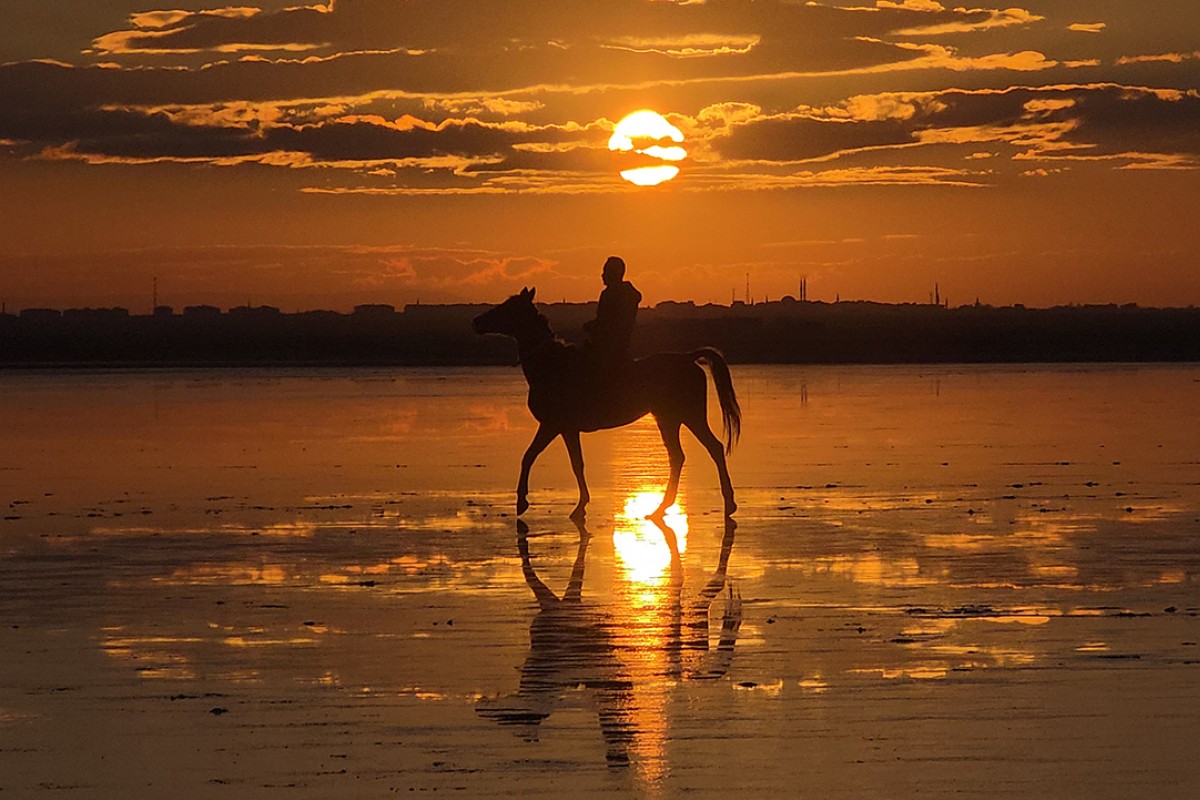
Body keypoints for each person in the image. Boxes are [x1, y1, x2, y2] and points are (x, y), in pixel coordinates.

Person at [583, 256, 641, 369]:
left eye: (605, 271)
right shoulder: (626, 294)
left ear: (613, 273)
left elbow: (607, 323)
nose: (602, 275)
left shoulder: (609, 294)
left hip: (607, 350)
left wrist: (590, 327)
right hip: (618, 347)